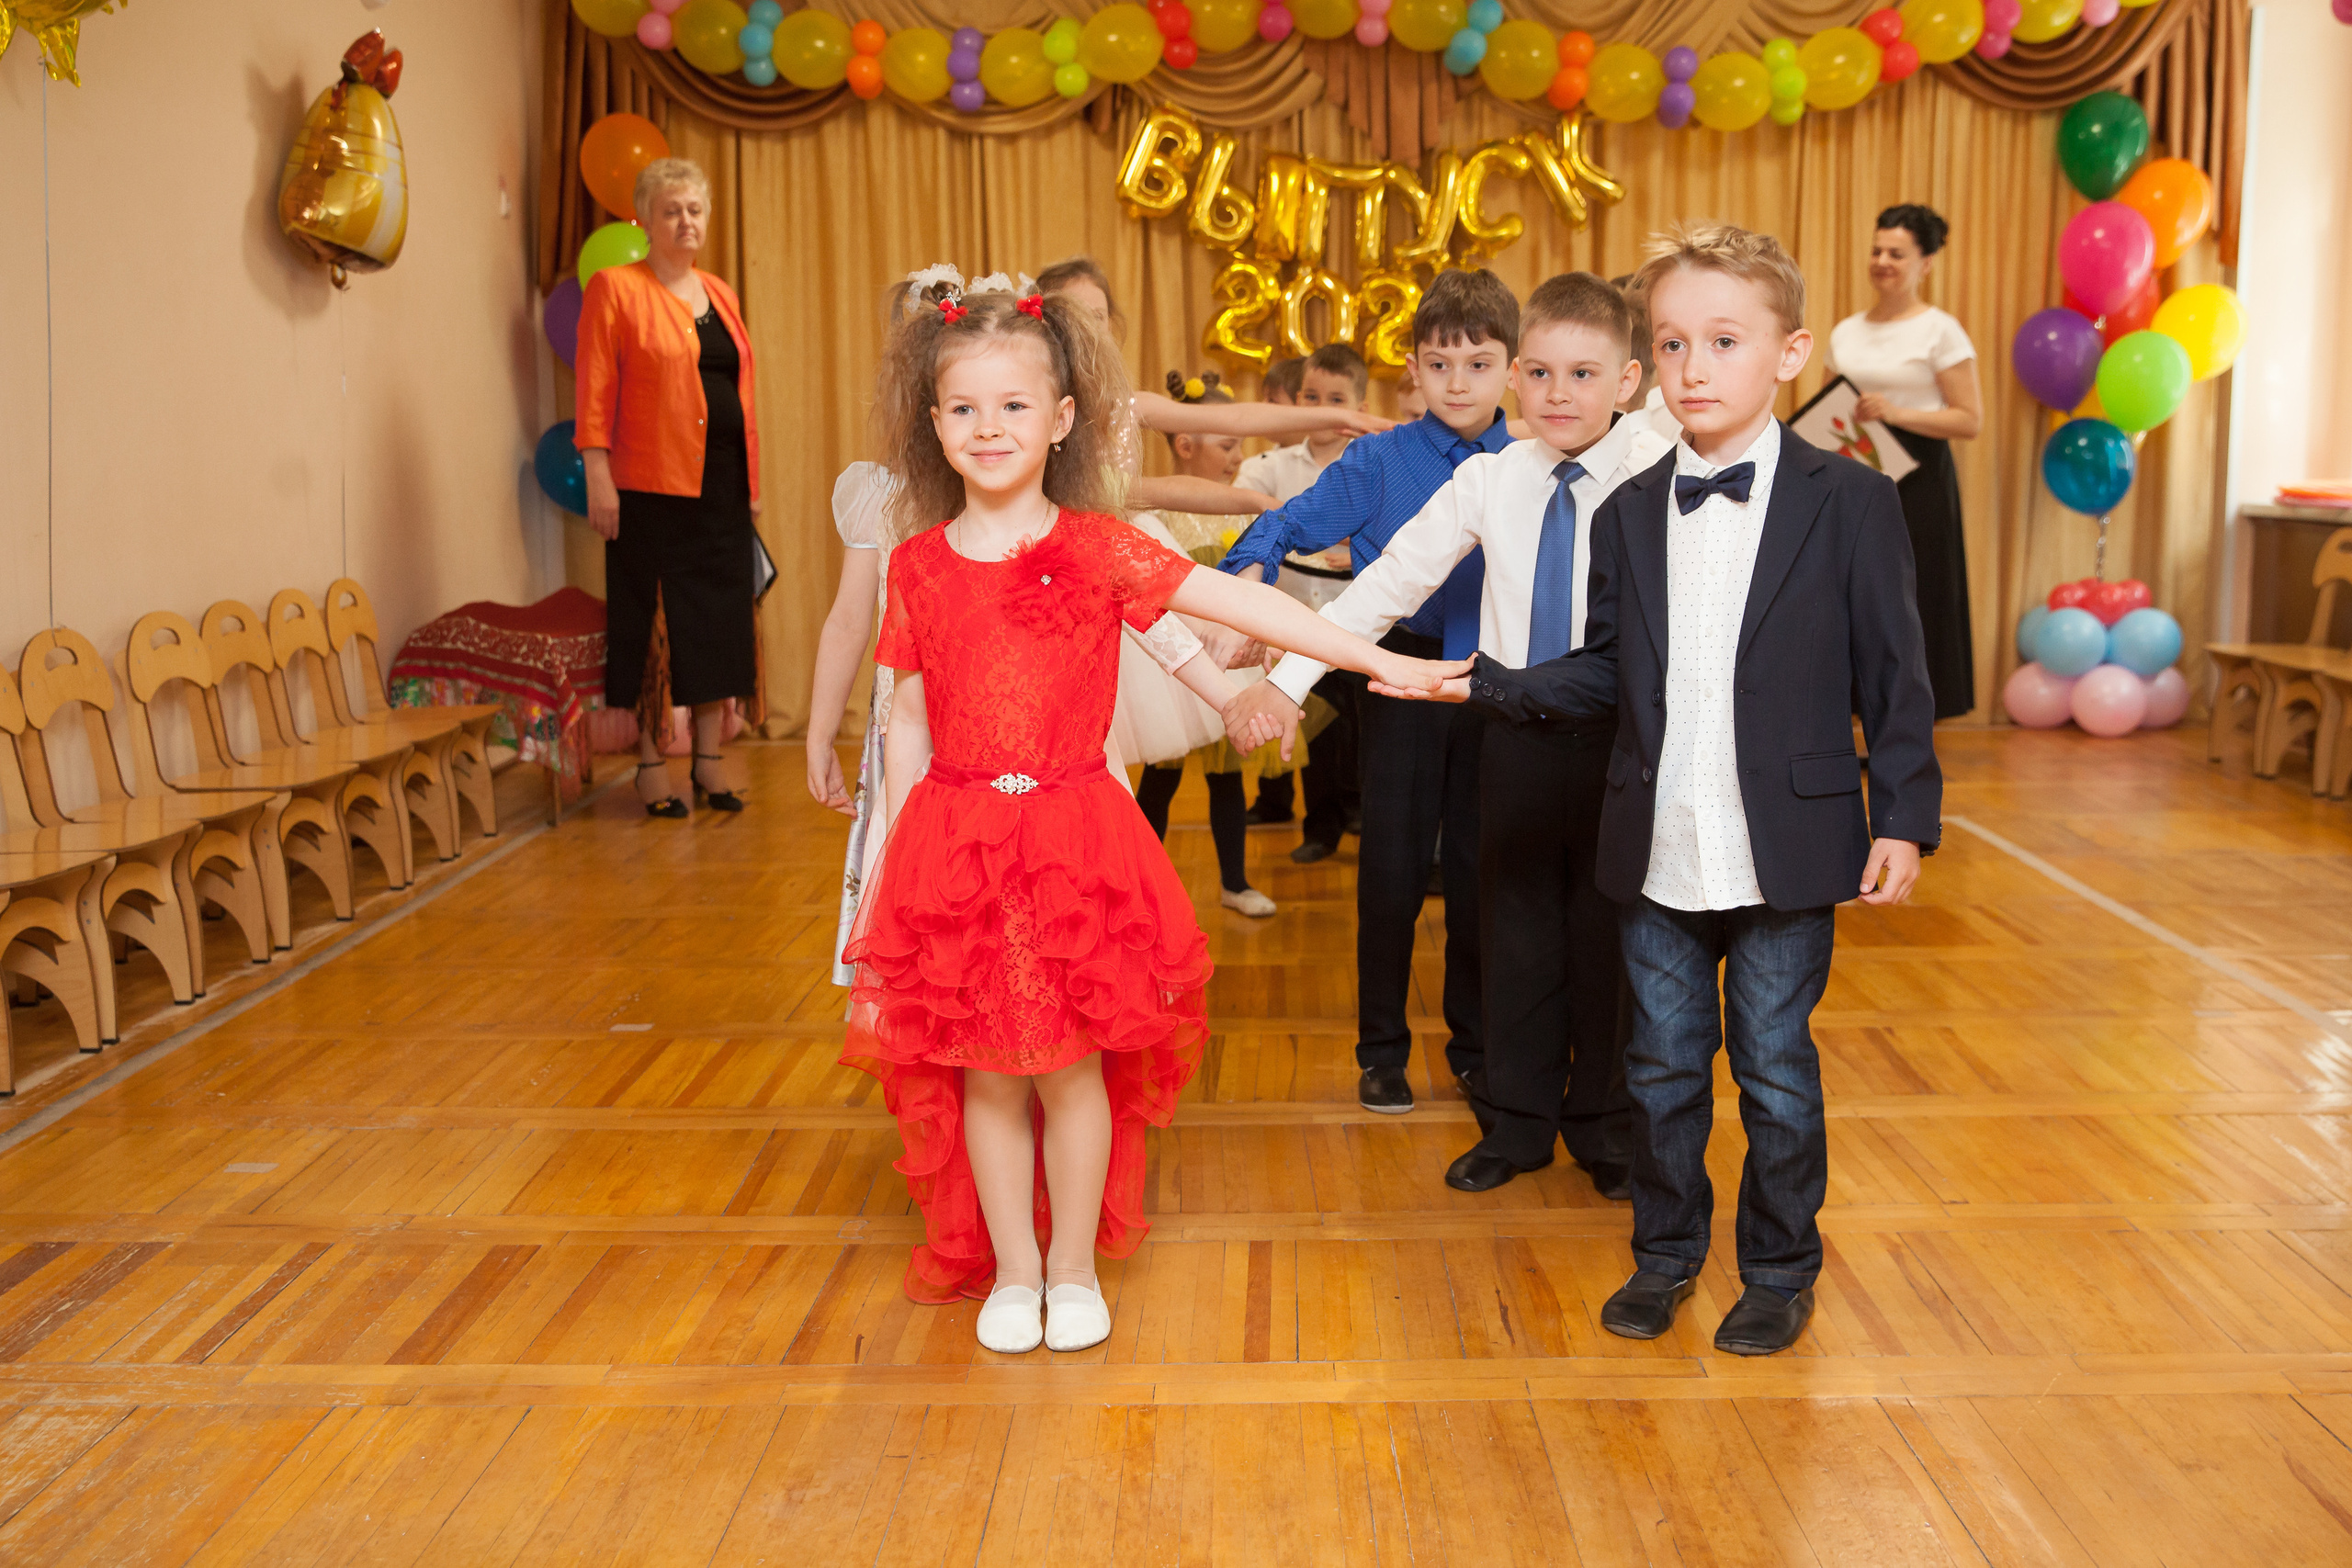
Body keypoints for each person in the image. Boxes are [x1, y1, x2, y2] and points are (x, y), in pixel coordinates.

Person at [842, 276, 1453, 1354]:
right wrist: (897, 859)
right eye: (966, 409)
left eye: (1014, 407)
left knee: (1072, 1064)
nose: (991, 429)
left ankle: (1071, 1269)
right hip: (958, 840)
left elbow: (1240, 601)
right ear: (934, 424)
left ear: (1062, 418)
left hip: (1076, 837)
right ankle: (1014, 1272)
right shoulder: (917, 566)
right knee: (987, 1067)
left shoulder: (1096, 545)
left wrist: (1371, 661)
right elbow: (904, 718)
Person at [1374, 223, 1941, 1357]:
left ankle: (1778, 1272)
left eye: (1723, 342)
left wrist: (1907, 818)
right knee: (1662, 1069)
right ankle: (1665, 1257)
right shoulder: (1630, 508)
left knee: (1776, 1074)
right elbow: (1604, 665)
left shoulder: (1851, 501)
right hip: (1658, 840)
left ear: (1788, 353)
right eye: (1674, 342)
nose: (1693, 368)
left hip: (1787, 841)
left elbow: (1895, 671)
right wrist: (1490, 684)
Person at [1236, 273, 1674, 1200]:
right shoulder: (1488, 478)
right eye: (1542, 373)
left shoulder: (1657, 469)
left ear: (1628, 381)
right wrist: (1286, 682)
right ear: (1517, 377)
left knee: (1608, 941)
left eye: (1585, 374)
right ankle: (1515, 1124)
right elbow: (1386, 585)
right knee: (1509, 933)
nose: (1560, 395)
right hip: (1510, 733)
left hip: (1623, 742)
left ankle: (1601, 1126)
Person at [1216, 269, 1520, 1117]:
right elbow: (1284, 521)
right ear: (1412, 372)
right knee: (1389, 869)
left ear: (1512, 370)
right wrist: (1249, 567)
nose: (1458, 384)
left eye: (1479, 364)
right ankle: (1381, 1048)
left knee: (1478, 870)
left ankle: (1475, 1047)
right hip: (1395, 679)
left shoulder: (1531, 462)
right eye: (1439, 365)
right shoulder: (1380, 459)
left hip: (1494, 692)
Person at [575, 157, 761, 818]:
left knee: (718, 625)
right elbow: (595, 386)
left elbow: (740, 392)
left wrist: (752, 484)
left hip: (721, 487)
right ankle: (651, 767)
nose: (686, 221)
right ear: (645, 220)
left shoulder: (721, 292)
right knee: (652, 626)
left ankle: (709, 760)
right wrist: (598, 472)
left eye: (696, 210)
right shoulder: (615, 288)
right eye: (672, 210)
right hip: (646, 487)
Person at [1133, 374, 1281, 918]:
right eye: (1226, 444)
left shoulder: (1239, 509)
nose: (1237, 456)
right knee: (1161, 776)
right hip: (1172, 665)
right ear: (1185, 444)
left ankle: (1235, 883)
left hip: (1226, 660)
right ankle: (1139, 886)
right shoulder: (1157, 509)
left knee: (1226, 774)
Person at [1829, 204, 1982, 718]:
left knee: (1917, 597)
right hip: (1854, 471)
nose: (1882, 261)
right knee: (1853, 593)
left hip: (1920, 479)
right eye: (1876, 250)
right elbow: (1829, 408)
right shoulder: (1846, 330)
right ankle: (1853, 713)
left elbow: (1969, 420)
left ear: (1926, 263)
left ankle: (1914, 720)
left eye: (1896, 253)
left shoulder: (1941, 330)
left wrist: (1897, 412)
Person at [1237, 344, 1370, 856]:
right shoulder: (1272, 465)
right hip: (1295, 624)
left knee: (1358, 728)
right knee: (1315, 730)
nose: (1320, 408)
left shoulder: (1368, 464)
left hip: (1356, 623)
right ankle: (1320, 828)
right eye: (1310, 396)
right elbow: (1248, 509)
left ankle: (1358, 810)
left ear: (1356, 406)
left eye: (1333, 398)